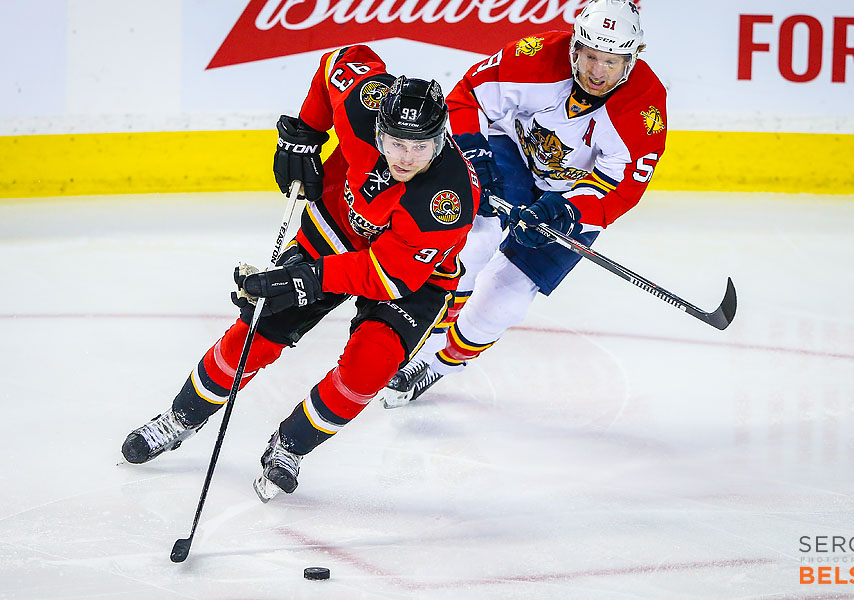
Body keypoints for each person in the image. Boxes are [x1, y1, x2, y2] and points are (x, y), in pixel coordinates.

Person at [121, 45, 478, 502]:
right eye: (396, 144)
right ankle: (180, 417)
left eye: (422, 147)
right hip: (337, 229)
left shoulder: (447, 201)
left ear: (441, 137)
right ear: (379, 131)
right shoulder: (364, 104)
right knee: (258, 330)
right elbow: (341, 59)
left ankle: (290, 447)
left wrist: (301, 280)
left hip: (409, 278)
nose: (407, 158)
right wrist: (305, 133)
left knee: (371, 367)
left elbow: (386, 276)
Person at [380, 0, 667, 407]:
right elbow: (467, 97)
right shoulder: (535, 57)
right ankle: (429, 330)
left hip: (575, 194)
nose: (597, 72)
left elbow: (621, 190)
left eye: (611, 62)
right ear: (574, 48)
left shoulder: (645, 110)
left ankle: (436, 365)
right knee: (475, 241)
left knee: (505, 299)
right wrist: (475, 151)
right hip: (511, 156)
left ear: (633, 59)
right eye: (589, 56)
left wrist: (568, 210)